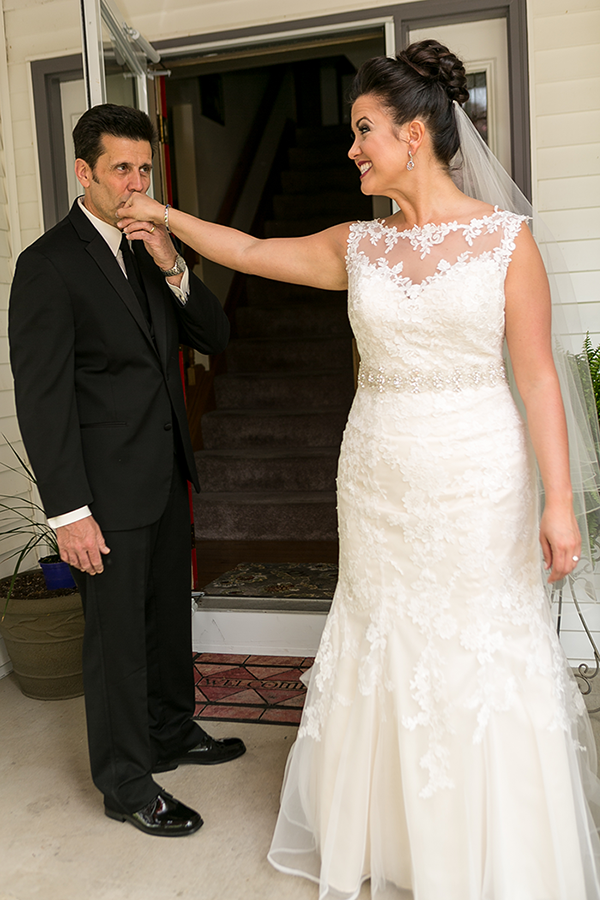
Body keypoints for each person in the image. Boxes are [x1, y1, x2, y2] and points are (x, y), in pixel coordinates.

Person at [117, 42, 600, 897]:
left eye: (363, 131)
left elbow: (535, 378)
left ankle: (491, 849)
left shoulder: (504, 244)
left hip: (477, 478)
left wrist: (559, 502)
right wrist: (165, 218)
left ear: (413, 135)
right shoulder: (359, 246)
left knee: (473, 647)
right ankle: (394, 838)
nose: (352, 149)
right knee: (384, 643)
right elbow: (255, 250)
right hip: (376, 478)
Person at [8, 104, 246, 838]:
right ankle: (126, 784)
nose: (136, 182)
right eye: (121, 169)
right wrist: (69, 512)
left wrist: (174, 262)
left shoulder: (150, 248)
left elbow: (216, 334)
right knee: (115, 644)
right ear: (84, 173)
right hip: (102, 495)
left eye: (145, 168)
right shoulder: (46, 265)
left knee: (168, 620)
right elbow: (42, 399)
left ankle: (174, 732)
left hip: (164, 475)